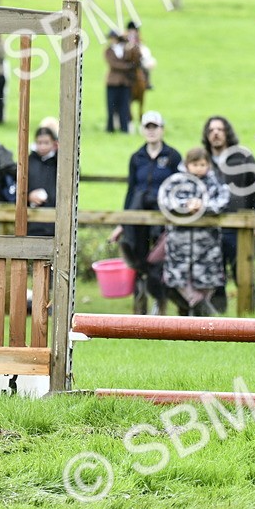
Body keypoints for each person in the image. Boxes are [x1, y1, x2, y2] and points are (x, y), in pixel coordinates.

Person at [109, 110, 181, 315]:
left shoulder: (172, 156)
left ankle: (160, 302)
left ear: (162, 129)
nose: (151, 131)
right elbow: (131, 189)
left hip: (163, 215)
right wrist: (123, 221)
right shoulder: (136, 158)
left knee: (158, 260)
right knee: (138, 259)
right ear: (142, 130)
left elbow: (179, 186)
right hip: (138, 215)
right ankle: (139, 306)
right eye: (147, 127)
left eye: (155, 127)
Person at [202, 116, 255, 313]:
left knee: (243, 275)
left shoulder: (243, 157)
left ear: (227, 133)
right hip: (211, 228)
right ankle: (218, 320)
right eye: (212, 130)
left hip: (240, 228)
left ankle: (248, 317)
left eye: (220, 129)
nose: (216, 133)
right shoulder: (202, 160)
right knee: (214, 276)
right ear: (207, 135)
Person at [159, 146, 231, 316]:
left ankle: (200, 316)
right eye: (195, 164)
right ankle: (199, 309)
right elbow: (165, 199)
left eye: (202, 164)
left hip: (207, 244)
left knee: (208, 281)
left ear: (208, 165)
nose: (199, 168)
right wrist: (186, 205)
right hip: (179, 243)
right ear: (187, 164)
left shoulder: (215, 182)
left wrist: (203, 206)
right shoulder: (176, 181)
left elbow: (223, 200)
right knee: (179, 280)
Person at [104, 29, 140, 133]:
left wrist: (131, 43)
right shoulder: (109, 51)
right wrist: (129, 66)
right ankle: (110, 128)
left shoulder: (126, 48)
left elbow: (136, 56)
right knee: (111, 106)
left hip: (125, 82)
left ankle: (124, 128)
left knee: (125, 106)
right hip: (113, 82)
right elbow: (114, 64)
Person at [26, 125, 59, 237]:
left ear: (53, 143)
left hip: (55, 216)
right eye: (39, 143)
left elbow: (75, 173)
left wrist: (60, 152)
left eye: (46, 142)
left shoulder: (58, 161)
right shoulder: (28, 161)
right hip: (32, 217)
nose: (42, 146)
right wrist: (28, 196)